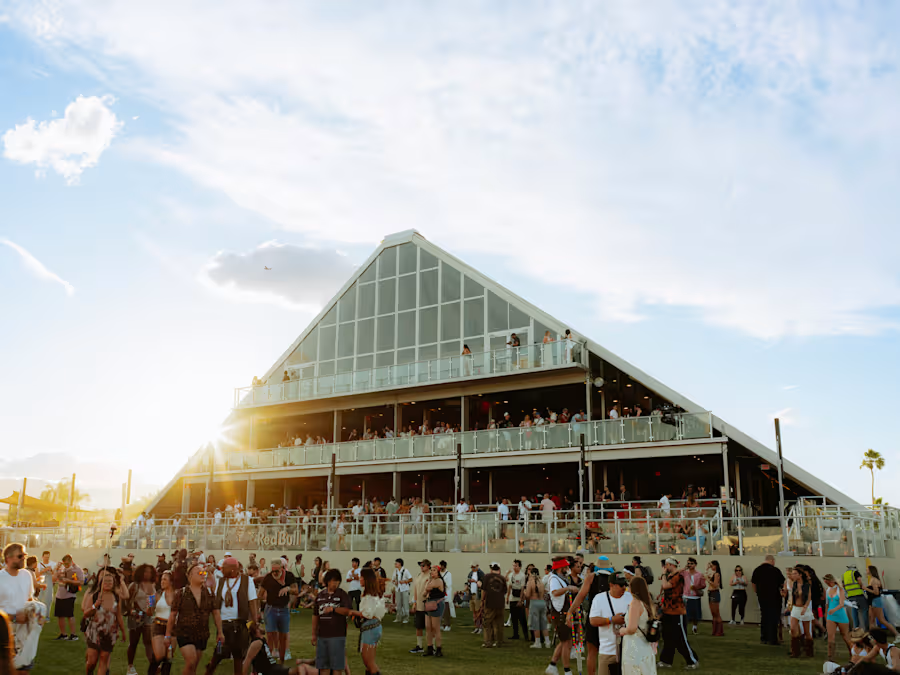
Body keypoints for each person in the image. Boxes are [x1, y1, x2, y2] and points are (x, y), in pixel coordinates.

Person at [165, 562, 224, 675]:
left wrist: (220, 632)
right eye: (199, 573)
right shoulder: (181, 593)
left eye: (204, 573)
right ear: (190, 576)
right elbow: (172, 615)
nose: (203, 575)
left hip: (202, 634)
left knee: (194, 666)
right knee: (191, 661)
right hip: (184, 633)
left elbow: (216, 613)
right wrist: (167, 635)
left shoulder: (208, 593)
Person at [205, 557, 258, 675]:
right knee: (218, 652)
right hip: (223, 625)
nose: (221, 570)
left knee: (239, 655)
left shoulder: (247, 581)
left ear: (233, 570)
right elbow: (215, 600)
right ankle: (209, 670)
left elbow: (252, 602)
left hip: (240, 624)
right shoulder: (220, 581)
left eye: (224, 568)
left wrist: (255, 621)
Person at [311, 568, 362, 675]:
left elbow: (348, 611)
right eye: (333, 581)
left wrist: (334, 609)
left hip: (337, 635)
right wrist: (314, 634)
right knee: (323, 667)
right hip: (322, 635)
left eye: (337, 581)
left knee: (337, 667)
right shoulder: (320, 596)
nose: (335, 583)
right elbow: (315, 615)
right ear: (327, 581)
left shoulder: (342, 594)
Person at [0, 543, 38, 672]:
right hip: (5, 633)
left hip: (25, 633)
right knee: (7, 670)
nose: (24, 558)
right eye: (20, 556)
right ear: (8, 558)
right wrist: (15, 618)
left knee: (24, 670)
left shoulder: (26, 575)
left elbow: (29, 598)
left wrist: (36, 610)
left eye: (25, 555)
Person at [82, 567, 127, 675]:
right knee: (91, 662)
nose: (108, 583)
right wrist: (95, 605)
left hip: (109, 633)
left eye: (110, 582)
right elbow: (86, 613)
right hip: (94, 632)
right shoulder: (95, 596)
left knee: (103, 659)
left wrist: (123, 631)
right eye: (105, 581)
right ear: (101, 583)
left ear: (113, 583)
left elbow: (118, 616)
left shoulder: (116, 597)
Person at [589, 571, 633, 675]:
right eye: (621, 585)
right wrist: (611, 619)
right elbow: (593, 620)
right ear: (611, 585)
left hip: (628, 650)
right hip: (607, 650)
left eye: (625, 585)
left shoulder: (630, 597)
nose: (624, 588)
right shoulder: (599, 598)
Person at [658, 557, 699, 669]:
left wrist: (663, 574)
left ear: (670, 565)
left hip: (677, 612)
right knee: (667, 637)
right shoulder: (672, 575)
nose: (665, 567)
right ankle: (666, 661)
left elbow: (666, 586)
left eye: (666, 565)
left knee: (680, 638)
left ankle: (692, 661)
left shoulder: (678, 576)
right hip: (668, 611)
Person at [260, 558, 297, 664]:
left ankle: (281, 661)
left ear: (282, 568)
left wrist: (288, 589)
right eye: (273, 571)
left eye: (277, 571)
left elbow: (296, 591)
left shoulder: (289, 576)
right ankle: (269, 660)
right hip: (270, 608)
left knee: (283, 636)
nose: (275, 573)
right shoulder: (268, 577)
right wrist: (260, 605)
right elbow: (260, 593)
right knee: (270, 635)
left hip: (283, 608)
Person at [243, 622, 316, 675]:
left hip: (275, 668)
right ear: (256, 630)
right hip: (272, 671)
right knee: (302, 668)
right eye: (259, 626)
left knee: (305, 668)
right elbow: (247, 661)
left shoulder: (262, 640)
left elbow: (256, 660)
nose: (261, 626)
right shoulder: (256, 643)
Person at [619, 576, 657, 674]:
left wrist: (622, 630)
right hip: (644, 644)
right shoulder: (647, 604)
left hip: (634, 645)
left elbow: (632, 628)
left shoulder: (635, 603)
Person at [126, 564, 157, 675]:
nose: (148, 574)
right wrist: (131, 611)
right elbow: (127, 601)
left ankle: (153, 665)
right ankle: (130, 666)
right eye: (145, 572)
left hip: (147, 617)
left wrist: (151, 609)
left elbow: (151, 604)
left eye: (150, 572)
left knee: (148, 642)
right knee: (133, 642)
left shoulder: (152, 586)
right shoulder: (134, 586)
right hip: (135, 617)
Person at [751, 555, 785, 646]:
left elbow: (753, 583)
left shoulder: (757, 570)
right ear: (772, 561)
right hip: (774, 597)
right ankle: (773, 639)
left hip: (762, 597)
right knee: (774, 617)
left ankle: (764, 637)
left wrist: (757, 592)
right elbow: (782, 583)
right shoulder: (775, 570)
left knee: (764, 616)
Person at [358, 567, 386, 675]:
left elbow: (367, 614)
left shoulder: (370, 595)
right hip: (374, 627)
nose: (360, 579)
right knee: (369, 661)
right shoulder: (374, 593)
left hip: (370, 627)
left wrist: (351, 612)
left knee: (368, 662)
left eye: (361, 577)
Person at [148, 571, 174, 675]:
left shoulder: (177, 595)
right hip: (158, 625)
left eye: (165, 579)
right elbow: (149, 612)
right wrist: (150, 604)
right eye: (162, 579)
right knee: (159, 655)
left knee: (169, 657)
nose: (162, 581)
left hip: (173, 627)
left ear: (171, 582)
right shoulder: (157, 595)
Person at [53, 554, 84, 641]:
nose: (65, 565)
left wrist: (69, 581)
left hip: (70, 594)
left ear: (71, 561)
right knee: (60, 615)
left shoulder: (77, 569)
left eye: (67, 564)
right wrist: (56, 568)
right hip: (60, 594)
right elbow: (53, 579)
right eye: (64, 564)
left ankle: (73, 634)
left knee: (69, 615)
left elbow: (81, 582)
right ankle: (63, 634)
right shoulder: (61, 569)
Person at [823, 573, 853, 663]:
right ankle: (831, 656)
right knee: (831, 636)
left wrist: (834, 610)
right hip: (831, 616)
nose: (826, 583)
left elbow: (841, 604)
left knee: (845, 636)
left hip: (840, 615)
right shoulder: (828, 590)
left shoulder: (840, 590)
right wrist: (826, 613)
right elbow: (827, 603)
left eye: (827, 581)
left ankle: (853, 653)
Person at [788, 566, 814, 658]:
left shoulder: (807, 585)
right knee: (793, 629)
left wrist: (805, 607)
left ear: (800, 575)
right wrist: (790, 604)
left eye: (795, 573)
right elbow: (792, 595)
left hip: (804, 608)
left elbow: (809, 597)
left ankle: (809, 651)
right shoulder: (795, 584)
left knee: (807, 632)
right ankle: (795, 651)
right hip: (795, 608)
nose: (793, 575)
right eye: (793, 573)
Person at [867, 566, 898, 640]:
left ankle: (897, 633)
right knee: (871, 620)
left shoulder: (874, 580)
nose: (866, 571)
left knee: (881, 619)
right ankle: (872, 636)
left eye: (867, 570)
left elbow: (876, 592)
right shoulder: (872, 579)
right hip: (872, 601)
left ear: (871, 570)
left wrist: (865, 588)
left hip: (876, 601)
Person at [481, 562, 507, 649]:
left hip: (490, 603)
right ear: (499, 569)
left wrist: (482, 601)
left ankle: (488, 642)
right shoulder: (502, 578)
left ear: (491, 569)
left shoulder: (487, 577)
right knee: (499, 623)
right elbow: (505, 591)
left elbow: (484, 591)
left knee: (487, 623)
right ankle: (499, 641)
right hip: (500, 603)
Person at [523, 566, 549, 649]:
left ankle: (537, 642)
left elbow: (528, 595)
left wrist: (524, 592)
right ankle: (547, 641)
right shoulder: (541, 582)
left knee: (535, 623)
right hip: (542, 602)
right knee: (543, 623)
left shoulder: (530, 582)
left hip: (534, 602)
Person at [409, 560, 431, 654]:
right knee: (418, 626)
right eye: (421, 565)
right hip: (419, 604)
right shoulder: (419, 576)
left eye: (423, 565)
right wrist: (414, 602)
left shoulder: (430, 576)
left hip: (427, 604)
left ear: (428, 566)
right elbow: (415, 590)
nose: (421, 567)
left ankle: (431, 646)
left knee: (429, 627)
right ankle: (419, 645)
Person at [422, 564, 445, 657]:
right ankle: (430, 647)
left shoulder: (439, 581)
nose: (432, 572)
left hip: (436, 604)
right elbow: (424, 593)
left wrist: (427, 585)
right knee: (428, 627)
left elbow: (427, 588)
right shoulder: (430, 581)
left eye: (434, 570)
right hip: (429, 603)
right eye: (431, 570)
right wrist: (427, 586)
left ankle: (439, 648)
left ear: (438, 572)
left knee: (436, 627)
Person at [680, 558, 705, 635]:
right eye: (688, 563)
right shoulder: (685, 573)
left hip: (695, 596)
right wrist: (684, 568)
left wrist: (696, 587)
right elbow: (677, 574)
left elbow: (703, 585)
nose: (690, 565)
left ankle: (694, 627)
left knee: (695, 614)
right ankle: (684, 628)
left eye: (691, 563)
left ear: (695, 564)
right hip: (686, 596)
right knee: (685, 614)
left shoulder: (699, 574)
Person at [507, 559, 527, 641]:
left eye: (516, 566)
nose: (514, 567)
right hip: (512, 597)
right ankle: (515, 634)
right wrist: (507, 597)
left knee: (522, 618)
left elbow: (522, 588)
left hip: (519, 597)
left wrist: (521, 600)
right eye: (513, 565)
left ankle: (526, 635)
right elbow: (509, 586)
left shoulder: (522, 576)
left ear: (520, 567)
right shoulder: (511, 575)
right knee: (514, 618)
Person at [844, 567, 869, 632]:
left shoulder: (844, 575)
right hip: (858, 595)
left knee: (854, 612)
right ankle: (866, 629)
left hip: (850, 596)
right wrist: (861, 586)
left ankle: (856, 628)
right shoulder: (855, 572)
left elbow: (843, 585)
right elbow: (859, 580)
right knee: (865, 610)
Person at [706, 560, 724, 637]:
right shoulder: (713, 574)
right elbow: (707, 574)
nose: (711, 567)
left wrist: (708, 580)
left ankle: (719, 631)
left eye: (712, 566)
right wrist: (707, 568)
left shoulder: (716, 574)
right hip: (711, 593)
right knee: (713, 613)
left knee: (716, 613)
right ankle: (714, 630)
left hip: (714, 593)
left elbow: (715, 585)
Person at [391, 559, 412, 624]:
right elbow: (393, 579)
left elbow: (411, 579)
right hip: (398, 589)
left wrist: (404, 581)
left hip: (404, 589)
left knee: (405, 604)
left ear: (400, 564)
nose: (395, 564)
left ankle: (406, 618)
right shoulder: (395, 571)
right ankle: (398, 618)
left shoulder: (405, 571)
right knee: (398, 604)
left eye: (396, 563)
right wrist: (394, 582)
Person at [467, 563, 484, 635]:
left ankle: (480, 627)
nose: (472, 569)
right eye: (472, 567)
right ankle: (476, 627)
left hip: (478, 595)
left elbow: (483, 584)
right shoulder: (470, 573)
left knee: (479, 612)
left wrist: (475, 581)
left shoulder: (481, 574)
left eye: (474, 567)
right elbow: (468, 581)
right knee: (474, 612)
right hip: (472, 594)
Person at [439, 561, 455, 632]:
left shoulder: (448, 574)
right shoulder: (439, 573)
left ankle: (447, 625)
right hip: (440, 594)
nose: (441, 567)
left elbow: (449, 584)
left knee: (446, 611)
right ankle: (441, 624)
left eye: (442, 566)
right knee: (440, 611)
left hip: (446, 594)